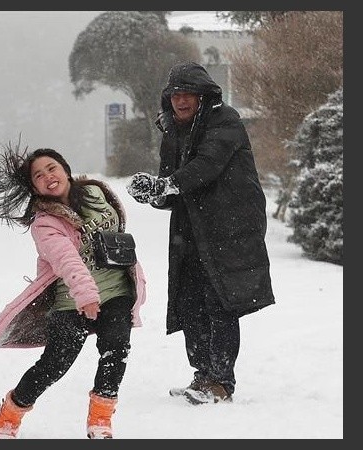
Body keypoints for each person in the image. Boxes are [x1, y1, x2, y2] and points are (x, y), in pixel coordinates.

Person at [126, 61, 275, 405]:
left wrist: (167, 185)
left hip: (229, 226)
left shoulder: (226, 121)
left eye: (188, 93)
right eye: (175, 94)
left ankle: (221, 383)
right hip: (190, 229)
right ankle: (203, 375)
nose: (180, 100)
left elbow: (206, 167)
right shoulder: (172, 129)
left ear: (203, 96)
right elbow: (172, 188)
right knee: (189, 302)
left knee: (219, 300)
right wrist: (153, 192)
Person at [0, 145, 148, 439]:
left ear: (65, 170)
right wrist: (86, 295)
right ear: (34, 187)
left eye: (52, 168)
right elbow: (67, 261)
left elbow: (117, 228)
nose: (48, 176)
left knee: (115, 352)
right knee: (55, 364)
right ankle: (10, 413)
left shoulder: (97, 193)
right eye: (39, 175)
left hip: (117, 290)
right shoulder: (44, 223)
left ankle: (100, 421)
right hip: (72, 302)